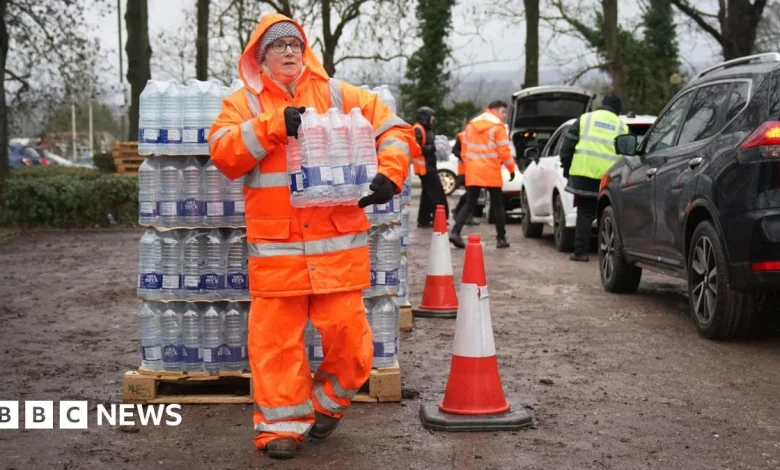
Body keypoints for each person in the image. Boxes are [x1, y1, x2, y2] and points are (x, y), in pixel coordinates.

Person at [207, 14, 416, 460]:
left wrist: (390, 174)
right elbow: (224, 154)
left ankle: (325, 404)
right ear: (259, 58)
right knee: (275, 344)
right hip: (277, 252)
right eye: (277, 46)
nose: (288, 52)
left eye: (294, 45)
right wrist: (272, 126)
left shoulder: (340, 95)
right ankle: (280, 428)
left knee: (353, 342)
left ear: (305, 53)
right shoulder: (242, 104)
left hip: (337, 250)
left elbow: (396, 130)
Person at [559, 93, 627, 262]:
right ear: (618, 109)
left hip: (584, 174)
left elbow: (566, 148)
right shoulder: (621, 126)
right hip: (611, 178)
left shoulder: (585, 119)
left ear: (603, 104)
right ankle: (613, 252)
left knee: (585, 212)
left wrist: (567, 170)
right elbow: (627, 155)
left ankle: (580, 252)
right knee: (611, 213)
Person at [449, 100, 515, 249]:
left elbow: (465, 148)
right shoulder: (498, 127)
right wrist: (511, 169)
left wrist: (468, 164)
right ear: (496, 111)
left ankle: (455, 232)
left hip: (473, 169)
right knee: (498, 204)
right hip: (491, 170)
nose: (504, 115)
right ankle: (501, 238)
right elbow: (505, 151)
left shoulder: (472, 124)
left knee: (470, 202)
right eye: (503, 112)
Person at [413, 106, 449, 227]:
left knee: (427, 195)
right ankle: (440, 218)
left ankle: (423, 220)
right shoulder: (418, 129)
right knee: (437, 193)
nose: (433, 119)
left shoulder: (425, 129)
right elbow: (416, 149)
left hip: (428, 166)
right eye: (431, 116)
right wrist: (433, 148)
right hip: (425, 168)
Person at [450, 130, 478, 226]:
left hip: (474, 169)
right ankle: (465, 215)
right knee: (471, 194)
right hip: (464, 170)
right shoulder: (461, 136)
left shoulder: (478, 135)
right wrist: (463, 157)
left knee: (470, 194)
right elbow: (454, 150)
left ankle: (458, 211)